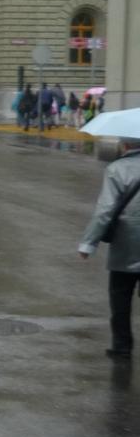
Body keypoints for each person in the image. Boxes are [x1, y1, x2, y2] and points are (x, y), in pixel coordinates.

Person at [79, 140, 140, 359]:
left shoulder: (117, 169)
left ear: (124, 144)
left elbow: (104, 211)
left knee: (121, 297)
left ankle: (122, 348)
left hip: (126, 246)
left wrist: (88, 243)